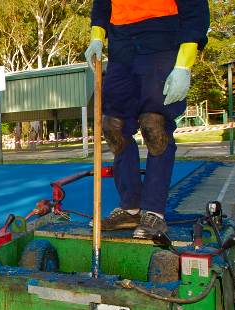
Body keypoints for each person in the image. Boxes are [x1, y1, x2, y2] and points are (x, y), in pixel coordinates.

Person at [84, 0, 210, 238]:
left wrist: (183, 65)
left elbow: (195, 12)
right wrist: (97, 37)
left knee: (155, 125)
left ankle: (154, 212)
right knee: (113, 127)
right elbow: (101, 7)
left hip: (162, 44)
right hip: (121, 51)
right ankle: (130, 209)